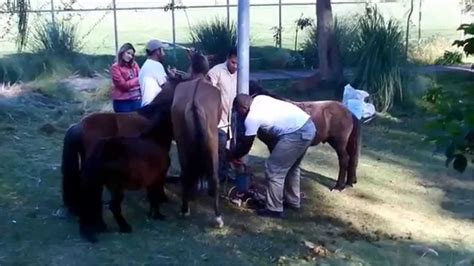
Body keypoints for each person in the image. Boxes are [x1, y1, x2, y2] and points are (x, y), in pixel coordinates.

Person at [230, 94, 316, 218]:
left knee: (274, 169)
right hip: (308, 126)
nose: (240, 114)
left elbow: (246, 145)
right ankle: (292, 201)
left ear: (243, 107)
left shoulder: (252, 118)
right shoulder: (260, 99)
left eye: (238, 111)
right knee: (292, 168)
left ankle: (274, 209)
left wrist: (233, 155)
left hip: (296, 133)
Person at [207, 47, 238, 183]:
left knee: (231, 148)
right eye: (233, 62)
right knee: (219, 148)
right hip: (218, 120)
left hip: (234, 119)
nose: (235, 66)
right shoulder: (216, 72)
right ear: (227, 58)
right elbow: (208, 92)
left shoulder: (242, 73)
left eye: (238, 64)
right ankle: (215, 176)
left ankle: (226, 173)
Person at [139, 39, 176, 107]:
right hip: (154, 107)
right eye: (162, 50)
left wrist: (169, 76)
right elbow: (165, 86)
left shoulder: (145, 65)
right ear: (157, 52)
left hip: (146, 106)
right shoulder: (156, 65)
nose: (164, 53)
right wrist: (172, 77)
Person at [110, 43, 141, 112]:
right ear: (122, 52)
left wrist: (136, 80)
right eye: (128, 53)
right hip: (123, 102)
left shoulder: (134, 65)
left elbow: (141, 78)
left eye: (132, 55)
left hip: (136, 100)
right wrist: (136, 80)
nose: (130, 56)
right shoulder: (115, 67)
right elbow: (123, 85)